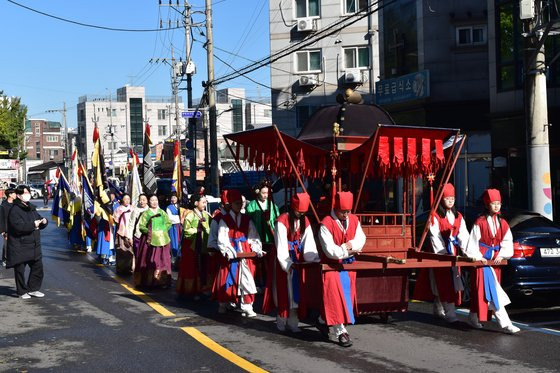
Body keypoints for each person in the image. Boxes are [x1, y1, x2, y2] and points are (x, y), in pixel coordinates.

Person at [463, 189, 520, 334]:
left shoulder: (503, 223)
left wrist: (503, 254)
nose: (496, 206)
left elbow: (508, 241)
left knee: (481, 293)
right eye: (493, 203)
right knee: (493, 293)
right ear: (487, 205)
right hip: (482, 262)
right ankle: (506, 324)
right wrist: (477, 257)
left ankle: (473, 318)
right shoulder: (479, 222)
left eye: (498, 203)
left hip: (495, 262)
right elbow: (473, 242)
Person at [263, 192, 320, 332]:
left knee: (297, 292)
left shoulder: (304, 220)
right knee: (284, 292)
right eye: (298, 211)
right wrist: (287, 263)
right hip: (284, 260)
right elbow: (280, 245)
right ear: (292, 208)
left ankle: (294, 323)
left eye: (303, 212)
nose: (300, 214)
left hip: (298, 259)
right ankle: (281, 321)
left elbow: (309, 242)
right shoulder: (282, 221)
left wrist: (312, 258)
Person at [412, 183, 469, 322]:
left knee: (451, 281)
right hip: (440, 254)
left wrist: (467, 252)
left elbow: (464, 235)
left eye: (452, 198)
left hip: (453, 252)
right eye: (447, 198)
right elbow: (435, 236)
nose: (450, 201)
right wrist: (443, 252)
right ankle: (450, 313)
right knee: (443, 282)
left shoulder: (458, 216)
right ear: (441, 199)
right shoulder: (435, 216)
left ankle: (438, 307)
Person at [318, 191, 366, 347]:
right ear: (336, 208)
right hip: (331, 267)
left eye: (349, 211)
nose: (346, 214)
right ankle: (341, 332)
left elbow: (361, 239)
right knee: (335, 297)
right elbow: (331, 251)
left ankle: (322, 319)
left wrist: (350, 246)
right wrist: (347, 249)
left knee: (346, 297)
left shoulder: (354, 219)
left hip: (348, 266)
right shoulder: (326, 223)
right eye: (343, 211)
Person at [214, 189, 264, 317]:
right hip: (231, 252)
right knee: (227, 278)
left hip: (245, 252)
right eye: (236, 203)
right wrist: (227, 250)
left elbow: (253, 236)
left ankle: (247, 306)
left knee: (247, 279)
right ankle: (224, 303)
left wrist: (256, 248)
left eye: (241, 203)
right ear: (231, 204)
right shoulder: (224, 220)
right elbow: (222, 237)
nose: (240, 205)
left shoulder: (247, 219)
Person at [6, 185, 48, 299]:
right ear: (19, 196)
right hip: (20, 244)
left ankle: (33, 289)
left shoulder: (31, 207)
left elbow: (38, 219)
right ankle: (21, 291)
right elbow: (18, 226)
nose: (27, 194)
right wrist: (33, 225)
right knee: (20, 269)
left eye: (28, 192)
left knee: (38, 267)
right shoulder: (14, 210)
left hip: (34, 244)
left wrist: (44, 221)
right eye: (24, 193)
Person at [246, 179, 280, 289]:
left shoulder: (273, 206)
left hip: (269, 237)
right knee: (257, 262)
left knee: (269, 261)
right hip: (256, 238)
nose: (265, 195)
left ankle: (269, 282)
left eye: (267, 193)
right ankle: (258, 283)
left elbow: (277, 220)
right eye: (263, 193)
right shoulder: (251, 205)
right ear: (258, 192)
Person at [176, 193, 211, 297]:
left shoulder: (206, 214)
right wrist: (198, 230)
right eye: (203, 202)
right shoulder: (190, 215)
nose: (205, 204)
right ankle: (192, 289)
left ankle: (202, 288)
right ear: (196, 203)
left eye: (205, 202)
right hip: (191, 245)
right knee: (193, 266)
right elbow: (186, 231)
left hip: (203, 243)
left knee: (203, 266)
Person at [134, 194, 173, 288]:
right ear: (148, 201)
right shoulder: (146, 213)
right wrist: (150, 232)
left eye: (156, 200)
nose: (154, 202)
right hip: (150, 241)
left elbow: (168, 223)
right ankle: (150, 281)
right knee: (150, 260)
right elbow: (141, 226)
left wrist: (163, 230)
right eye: (152, 200)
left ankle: (163, 281)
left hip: (163, 240)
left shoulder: (162, 212)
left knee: (163, 260)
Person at [114, 193, 134, 274]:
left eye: (128, 199)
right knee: (121, 250)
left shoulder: (133, 208)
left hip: (130, 232)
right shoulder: (118, 209)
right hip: (122, 232)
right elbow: (116, 220)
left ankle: (129, 268)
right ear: (122, 200)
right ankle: (121, 268)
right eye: (125, 199)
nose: (127, 201)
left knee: (130, 251)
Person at [126, 194, 149, 260]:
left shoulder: (150, 210)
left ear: (147, 201)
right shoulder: (135, 211)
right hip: (138, 236)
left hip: (148, 236)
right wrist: (130, 237)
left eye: (144, 200)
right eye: (140, 200)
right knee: (138, 255)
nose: (142, 202)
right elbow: (131, 224)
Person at [1, 188, 16, 266]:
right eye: (14, 193)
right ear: (10, 194)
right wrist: (3, 231)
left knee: (16, 244)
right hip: (7, 228)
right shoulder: (3, 205)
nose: (15, 194)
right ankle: (5, 259)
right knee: (7, 245)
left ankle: (14, 259)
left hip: (17, 227)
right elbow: (2, 218)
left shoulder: (17, 204)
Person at [166, 193, 182, 262]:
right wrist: (180, 217)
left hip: (180, 226)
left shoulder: (180, 206)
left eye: (175, 197)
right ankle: (174, 258)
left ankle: (180, 257)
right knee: (174, 242)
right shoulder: (169, 207)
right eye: (172, 197)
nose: (173, 199)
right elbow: (170, 218)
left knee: (180, 241)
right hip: (173, 226)